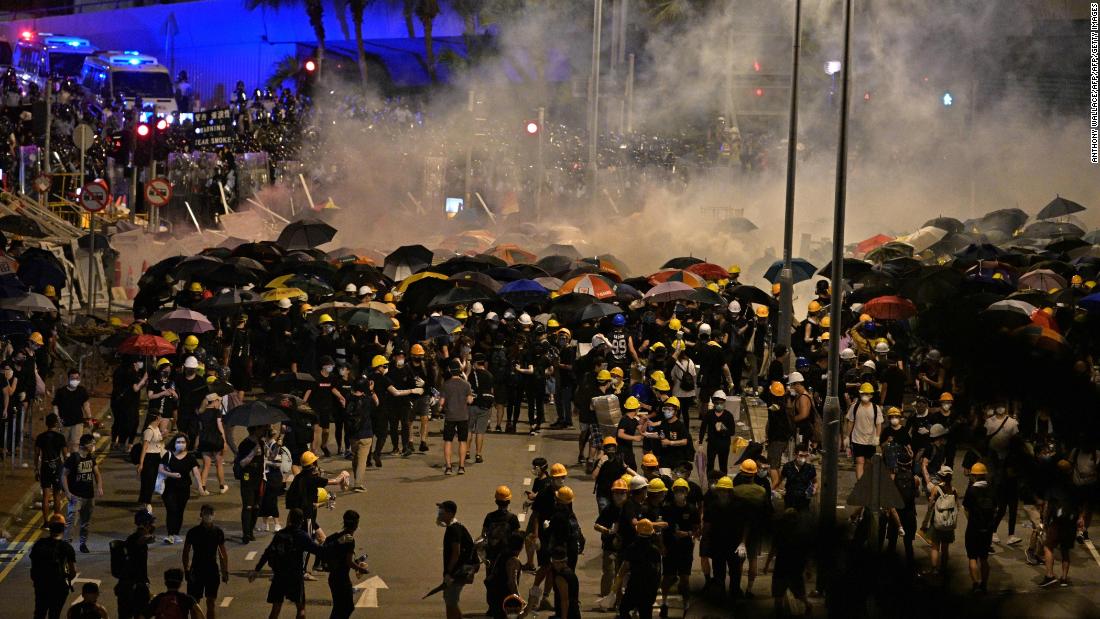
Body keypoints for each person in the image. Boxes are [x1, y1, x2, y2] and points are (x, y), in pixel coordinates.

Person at [249, 508, 326, 619]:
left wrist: (257, 570)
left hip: (279, 575)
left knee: (275, 609)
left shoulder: (280, 534)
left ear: (289, 518)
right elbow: (318, 550)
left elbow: (267, 552)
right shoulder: (302, 536)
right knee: (301, 608)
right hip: (295, 576)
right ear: (302, 521)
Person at [183, 505, 228, 619]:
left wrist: (224, 571)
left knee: (211, 602)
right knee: (194, 604)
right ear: (201, 515)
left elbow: (222, 553)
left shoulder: (218, 532)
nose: (208, 516)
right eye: (206, 513)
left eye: (210, 513)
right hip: (196, 570)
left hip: (212, 571)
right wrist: (187, 570)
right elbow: (186, 552)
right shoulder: (193, 532)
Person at [661, 478, 700, 613]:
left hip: (685, 549)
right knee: (667, 577)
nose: (679, 493)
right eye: (677, 491)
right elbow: (661, 529)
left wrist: (686, 534)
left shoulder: (692, 509)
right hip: (670, 548)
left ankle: (686, 605)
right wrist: (662, 546)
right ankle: (664, 603)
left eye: (682, 491)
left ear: (686, 493)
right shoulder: (667, 509)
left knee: (685, 580)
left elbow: (697, 530)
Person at [324, 510, 371, 619]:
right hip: (342, 579)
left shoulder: (336, 536)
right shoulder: (349, 540)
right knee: (347, 607)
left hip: (333, 577)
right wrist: (360, 569)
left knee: (339, 607)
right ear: (356, 524)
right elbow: (348, 562)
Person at [1040, 460, 1078, 587]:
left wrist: (1044, 522)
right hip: (1070, 522)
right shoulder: (1074, 485)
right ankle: (1064, 578)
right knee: (1065, 549)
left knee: (1048, 546)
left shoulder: (1053, 485)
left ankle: (1049, 575)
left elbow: (1047, 506)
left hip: (1056, 522)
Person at [62, 433, 102, 553]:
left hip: (89, 496)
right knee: (71, 521)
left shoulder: (91, 457)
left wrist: (99, 486)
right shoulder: (73, 458)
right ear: (85, 445)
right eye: (92, 444)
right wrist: (68, 493)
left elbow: (97, 473)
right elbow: (64, 475)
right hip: (75, 496)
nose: (94, 446)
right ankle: (66, 545)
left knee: (85, 523)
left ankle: (83, 544)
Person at [30, 513, 75, 619]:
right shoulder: (66, 547)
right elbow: (72, 571)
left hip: (41, 585)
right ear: (63, 528)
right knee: (54, 614)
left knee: (39, 613)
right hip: (58, 586)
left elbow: (34, 565)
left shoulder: (39, 544)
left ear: (50, 528)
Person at [160, 434, 203, 544]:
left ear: (187, 444)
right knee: (171, 510)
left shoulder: (190, 458)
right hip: (169, 488)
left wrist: (200, 486)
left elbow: (196, 473)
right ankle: (170, 534)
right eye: (178, 442)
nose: (181, 444)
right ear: (174, 443)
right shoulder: (168, 455)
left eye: (183, 442)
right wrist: (171, 474)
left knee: (179, 511)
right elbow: (160, 469)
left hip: (183, 489)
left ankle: (176, 534)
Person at [615, 518, 662, 619]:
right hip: (649, 588)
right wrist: (655, 588)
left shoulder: (632, 548)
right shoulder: (655, 550)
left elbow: (624, 568)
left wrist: (616, 585)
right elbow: (658, 571)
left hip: (634, 585)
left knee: (623, 609)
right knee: (646, 614)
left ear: (637, 531)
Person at [115, 510, 156, 619]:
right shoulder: (136, 539)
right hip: (135, 588)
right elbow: (143, 540)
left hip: (127, 587)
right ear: (145, 524)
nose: (152, 526)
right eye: (151, 523)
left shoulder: (132, 539)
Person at [438, 500, 475, 619]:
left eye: (442, 511)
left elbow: (456, 553)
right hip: (457, 571)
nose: (439, 514)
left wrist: (449, 573)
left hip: (457, 572)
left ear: (450, 513)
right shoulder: (454, 527)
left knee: (451, 601)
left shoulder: (454, 530)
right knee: (450, 601)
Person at [963, 462, 996, 593]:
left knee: (972, 557)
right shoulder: (991, 489)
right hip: (987, 529)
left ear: (974, 476)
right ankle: (984, 585)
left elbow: (966, 508)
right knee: (984, 558)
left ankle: (975, 584)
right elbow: (996, 508)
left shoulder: (971, 490)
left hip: (973, 528)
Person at [304, 355, 346, 457]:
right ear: (324, 366)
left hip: (326, 407)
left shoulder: (332, 377)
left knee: (326, 431)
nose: (331, 367)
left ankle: (323, 445)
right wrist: (303, 402)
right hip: (315, 407)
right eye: (329, 365)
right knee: (317, 429)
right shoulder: (315, 377)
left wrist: (341, 397)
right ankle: (314, 451)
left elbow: (333, 388)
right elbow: (309, 390)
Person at [439, 360, 474, 475]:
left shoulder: (446, 384)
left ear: (449, 370)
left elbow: (441, 403)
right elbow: (469, 400)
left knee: (448, 441)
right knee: (462, 441)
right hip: (463, 416)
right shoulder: (466, 385)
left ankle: (448, 467)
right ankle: (461, 466)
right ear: (460, 370)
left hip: (450, 417)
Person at [35, 413, 68, 524]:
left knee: (45, 495)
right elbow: (65, 454)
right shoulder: (60, 437)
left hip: (45, 466)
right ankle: (57, 520)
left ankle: (45, 522)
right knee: (57, 495)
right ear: (55, 423)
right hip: (57, 465)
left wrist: (36, 469)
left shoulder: (40, 437)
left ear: (46, 423)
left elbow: (36, 454)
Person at [235, 426, 266, 543]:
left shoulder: (261, 442)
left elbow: (270, 457)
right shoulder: (245, 444)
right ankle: (246, 534)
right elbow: (242, 463)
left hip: (259, 478)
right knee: (248, 506)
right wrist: (253, 453)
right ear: (255, 430)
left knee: (256, 507)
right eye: (261, 428)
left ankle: (251, 530)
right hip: (247, 478)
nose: (263, 430)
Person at [845, 383, 883, 479]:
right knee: (859, 461)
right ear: (860, 394)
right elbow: (850, 422)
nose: (865, 395)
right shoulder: (855, 407)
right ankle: (860, 485)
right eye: (863, 393)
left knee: (868, 462)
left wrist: (877, 437)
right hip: (857, 439)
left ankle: (866, 481)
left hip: (870, 439)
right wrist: (846, 436)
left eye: (868, 393)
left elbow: (879, 424)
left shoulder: (876, 408)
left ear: (871, 395)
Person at [926, 465, 958, 578]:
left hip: (937, 521)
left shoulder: (936, 489)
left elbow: (930, 506)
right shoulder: (954, 490)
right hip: (949, 523)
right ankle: (944, 568)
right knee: (945, 548)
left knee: (935, 546)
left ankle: (934, 569)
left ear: (940, 476)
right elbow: (956, 506)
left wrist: (931, 502)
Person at [111, 357, 148, 452]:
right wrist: (144, 379)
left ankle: (115, 443)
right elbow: (136, 388)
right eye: (138, 361)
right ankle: (124, 444)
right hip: (128, 402)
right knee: (131, 423)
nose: (140, 363)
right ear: (133, 363)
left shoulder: (119, 371)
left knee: (119, 422)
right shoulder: (131, 372)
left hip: (118, 401)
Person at [346, 377, 376, 490]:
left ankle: (356, 478)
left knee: (355, 458)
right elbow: (377, 403)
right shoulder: (367, 399)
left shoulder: (349, 398)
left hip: (353, 433)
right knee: (362, 460)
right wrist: (371, 390)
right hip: (366, 433)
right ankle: (358, 484)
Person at [196, 393, 230, 495]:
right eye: (219, 401)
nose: (219, 403)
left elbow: (200, 429)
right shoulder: (217, 412)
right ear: (214, 401)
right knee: (219, 464)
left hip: (204, 440)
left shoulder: (201, 412)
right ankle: (222, 486)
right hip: (215, 440)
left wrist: (197, 442)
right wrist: (224, 441)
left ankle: (202, 487)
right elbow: (220, 427)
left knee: (206, 465)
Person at [137, 414, 170, 513]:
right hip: (149, 458)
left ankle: (144, 501)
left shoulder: (156, 429)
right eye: (160, 417)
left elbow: (158, 443)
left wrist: (165, 437)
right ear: (156, 418)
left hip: (156, 457)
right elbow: (145, 447)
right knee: (148, 481)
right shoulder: (149, 430)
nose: (161, 419)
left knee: (152, 481)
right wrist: (141, 463)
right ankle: (147, 503)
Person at [53, 368, 91, 451]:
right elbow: (55, 406)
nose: (75, 380)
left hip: (77, 422)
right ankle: (63, 461)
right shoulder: (61, 392)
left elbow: (86, 405)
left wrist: (89, 418)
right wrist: (57, 418)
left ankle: (74, 460)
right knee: (63, 444)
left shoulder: (82, 390)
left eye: (77, 378)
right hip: (64, 422)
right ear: (68, 379)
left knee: (75, 443)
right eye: (72, 378)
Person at [698, 391, 734, 474]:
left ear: (724, 403)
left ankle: (724, 483)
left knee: (723, 465)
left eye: (721, 403)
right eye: (717, 403)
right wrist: (700, 442)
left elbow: (732, 432)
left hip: (724, 445)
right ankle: (710, 484)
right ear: (714, 403)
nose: (719, 405)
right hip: (712, 444)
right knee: (710, 465)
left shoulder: (728, 416)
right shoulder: (709, 414)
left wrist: (723, 429)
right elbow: (703, 428)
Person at [468, 353, 495, 463]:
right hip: (485, 406)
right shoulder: (490, 375)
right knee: (480, 432)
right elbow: (492, 391)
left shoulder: (472, 375)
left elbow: (468, 389)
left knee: (469, 429)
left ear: (475, 363)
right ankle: (478, 454)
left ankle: (466, 452)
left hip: (473, 405)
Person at [776, 446, 816, 512]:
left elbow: (815, 482)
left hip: (804, 500)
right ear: (795, 454)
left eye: (805, 456)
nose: (803, 458)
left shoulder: (810, 468)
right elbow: (780, 480)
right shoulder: (787, 466)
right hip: (790, 499)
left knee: (803, 519)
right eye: (801, 455)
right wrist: (777, 490)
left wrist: (814, 489)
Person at [616, 396, 645, 470]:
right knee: (626, 469)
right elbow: (620, 434)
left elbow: (642, 431)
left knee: (633, 468)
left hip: (629, 449)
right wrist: (634, 438)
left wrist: (644, 420)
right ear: (636, 409)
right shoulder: (625, 419)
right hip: (622, 450)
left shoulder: (634, 420)